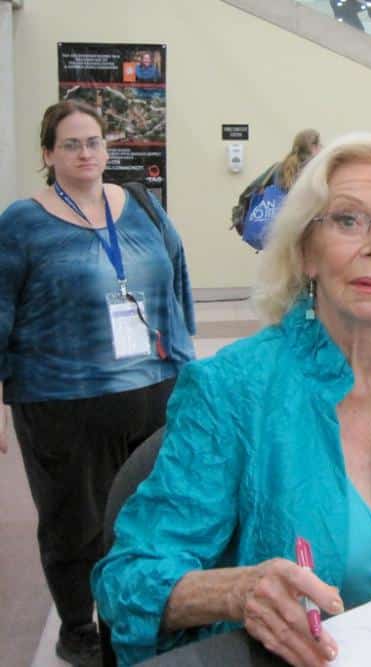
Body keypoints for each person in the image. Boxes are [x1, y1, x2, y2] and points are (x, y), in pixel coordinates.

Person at [93, 132, 371, 667]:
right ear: (305, 251)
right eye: (347, 220)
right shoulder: (232, 388)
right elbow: (128, 576)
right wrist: (235, 592)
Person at [0, 100, 196, 667]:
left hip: (153, 389)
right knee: (74, 521)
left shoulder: (141, 205)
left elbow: (177, 281)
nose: (86, 154)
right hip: (61, 399)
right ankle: (77, 627)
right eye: (71, 144)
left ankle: (135, 611)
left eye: (94, 142)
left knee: (152, 510)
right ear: (47, 154)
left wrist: (186, 366)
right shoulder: (22, 222)